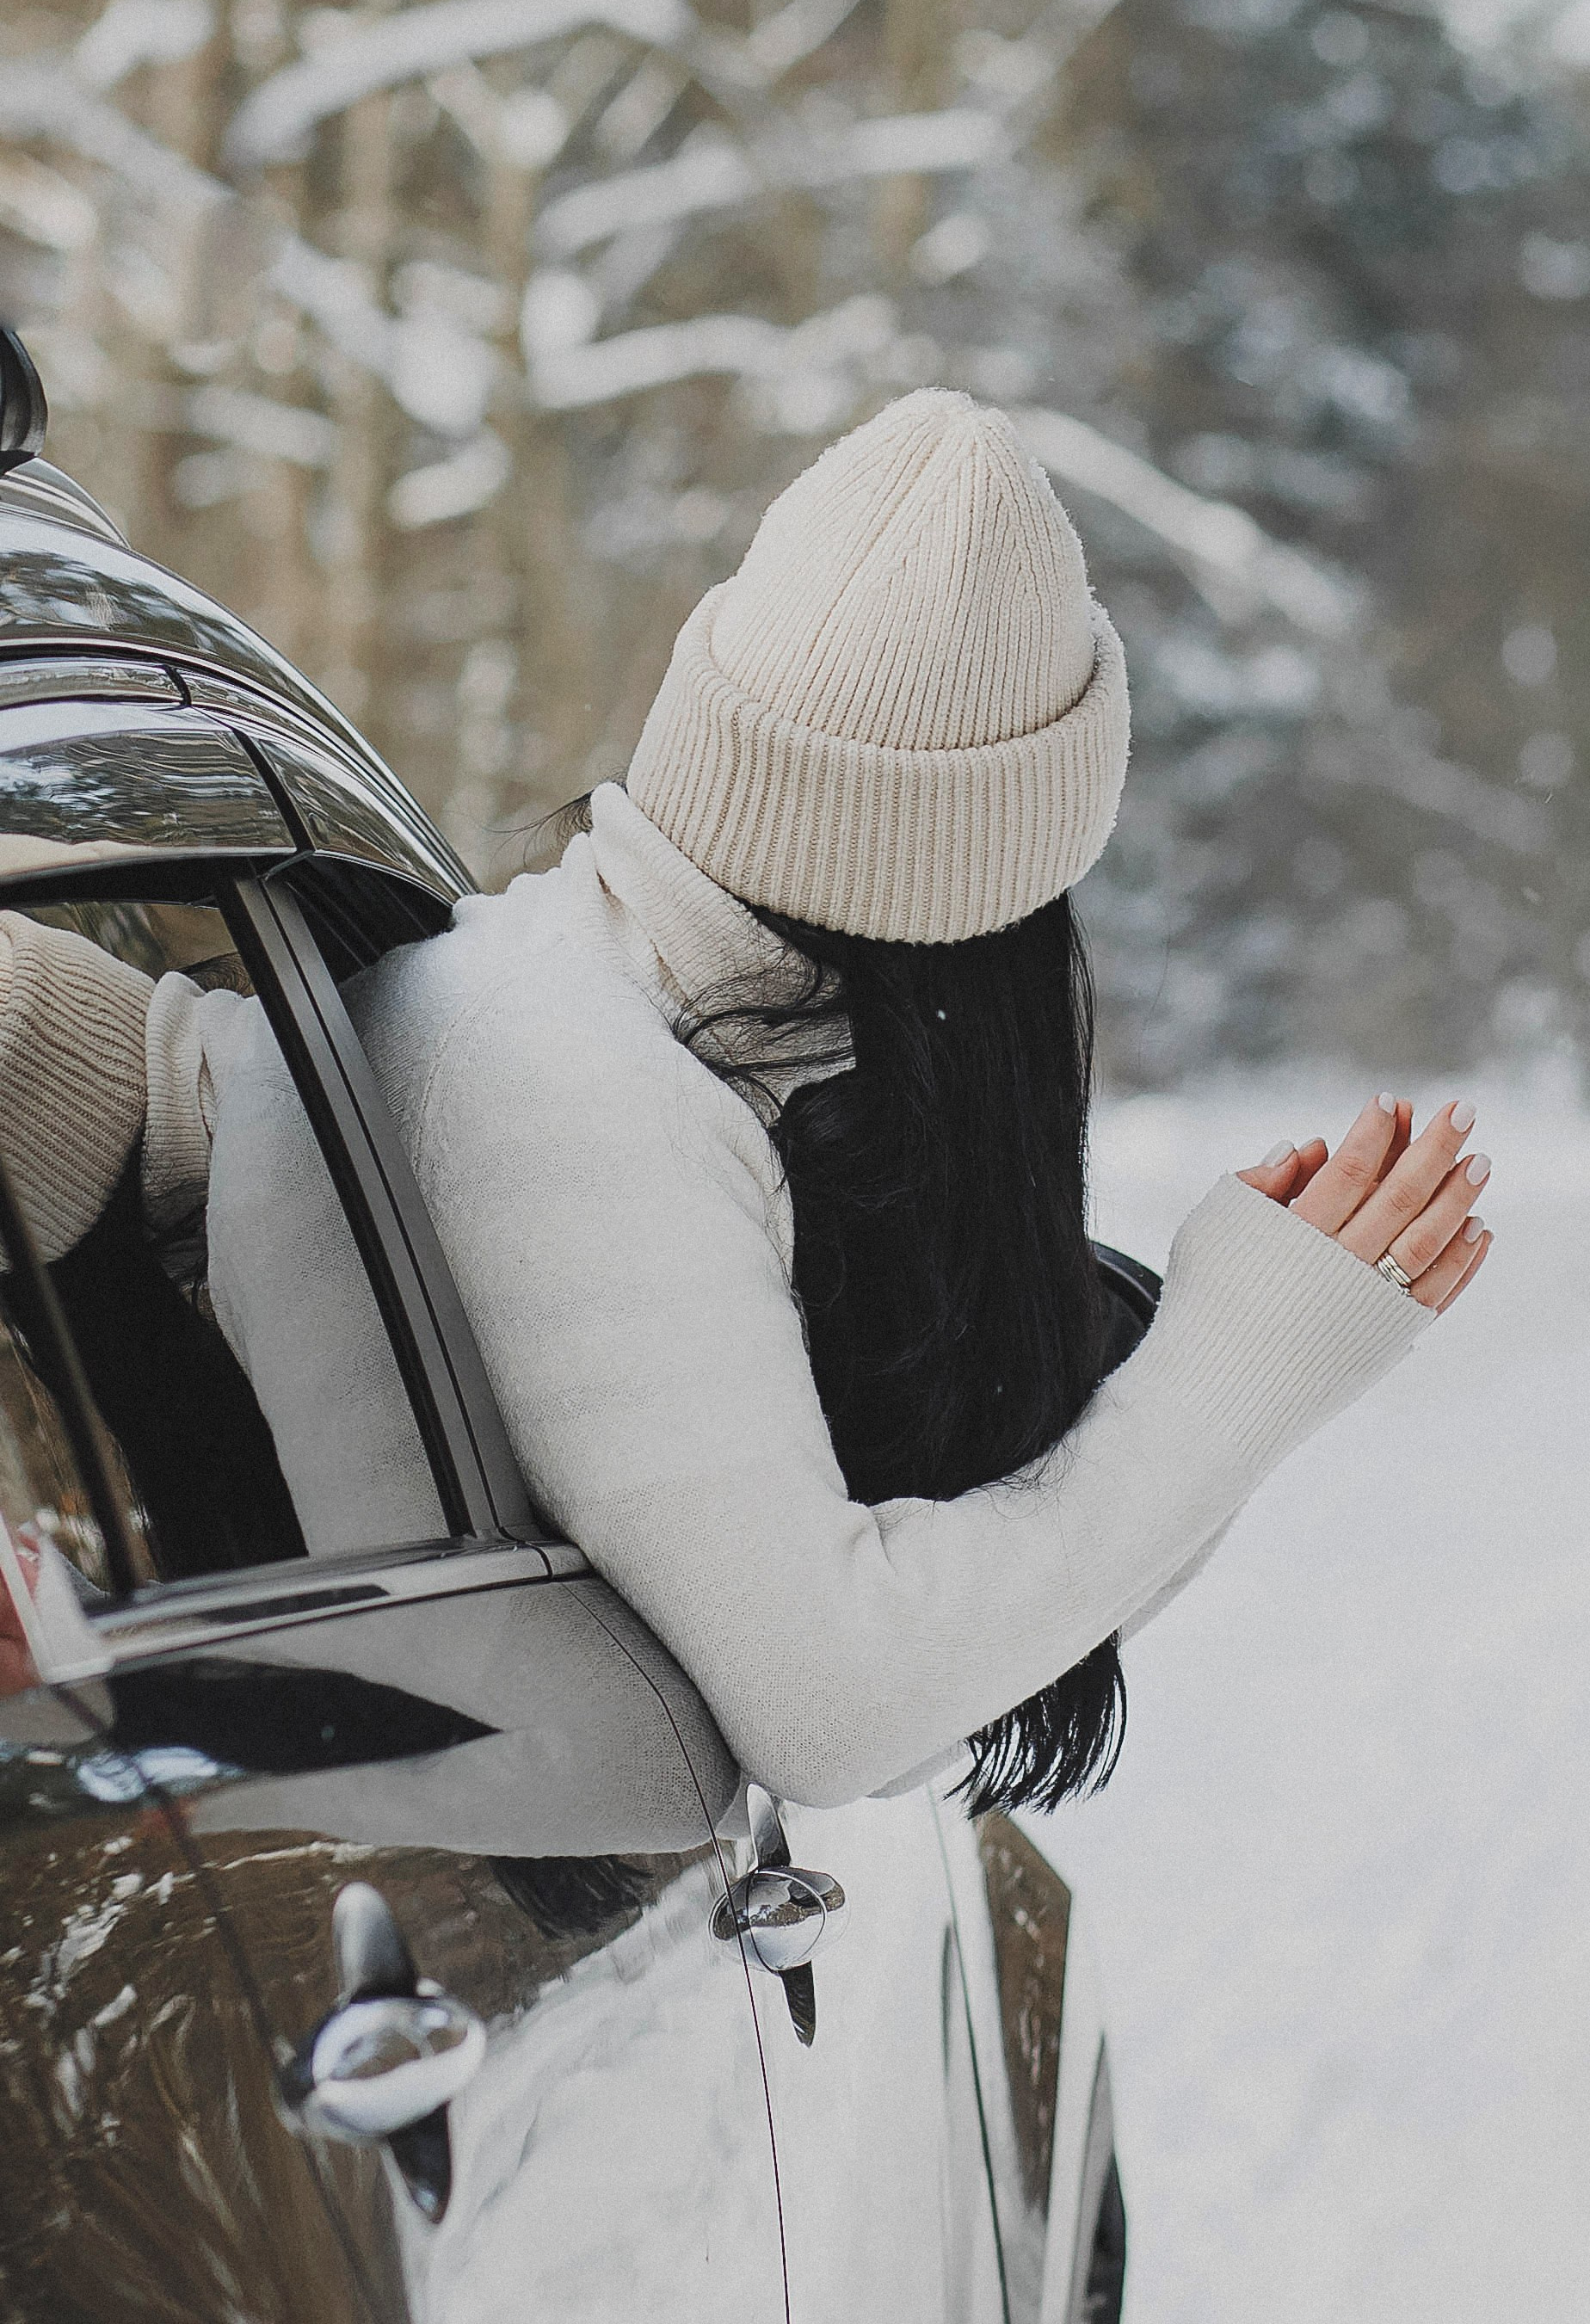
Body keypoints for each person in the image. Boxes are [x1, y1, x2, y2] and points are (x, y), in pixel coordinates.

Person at [0, 390, 1491, 1809]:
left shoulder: (648, 1039)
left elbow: (949, 1671)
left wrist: (1210, 1359)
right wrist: (1235, 1366)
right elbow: (839, 1711)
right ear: (1007, 883)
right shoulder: (555, 1074)